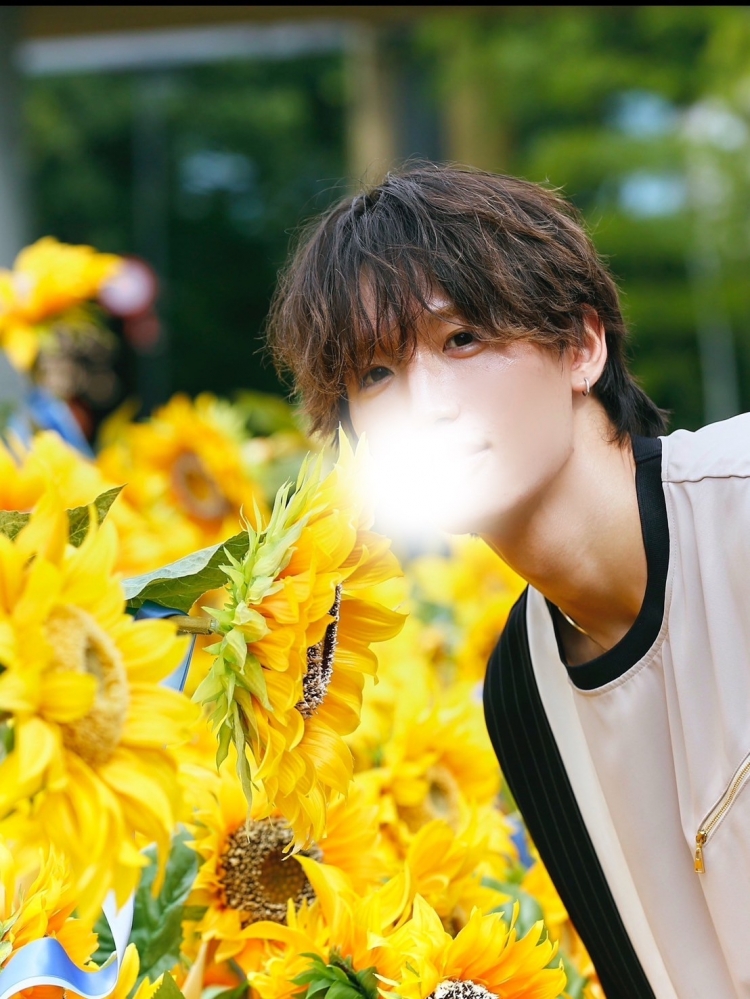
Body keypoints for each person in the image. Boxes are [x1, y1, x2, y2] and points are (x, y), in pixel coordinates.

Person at [266, 164, 750, 999]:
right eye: (376, 374)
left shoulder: (738, 505)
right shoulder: (526, 692)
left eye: (461, 340)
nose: (424, 405)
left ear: (582, 346)